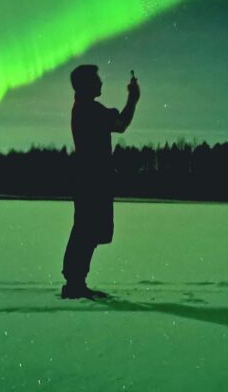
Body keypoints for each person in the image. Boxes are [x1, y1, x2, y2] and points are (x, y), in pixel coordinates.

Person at [61, 65, 140, 299]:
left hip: (88, 179)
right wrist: (133, 99)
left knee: (87, 230)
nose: (101, 83)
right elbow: (121, 124)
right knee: (87, 231)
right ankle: (74, 284)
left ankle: (75, 282)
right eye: (96, 80)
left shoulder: (83, 108)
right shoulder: (90, 110)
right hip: (92, 180)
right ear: (87, 85)